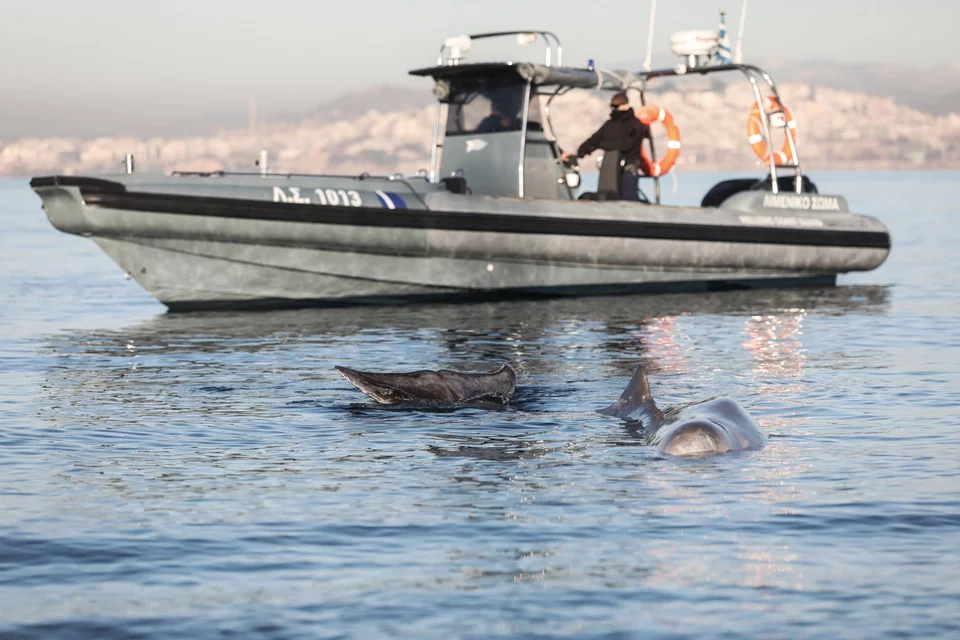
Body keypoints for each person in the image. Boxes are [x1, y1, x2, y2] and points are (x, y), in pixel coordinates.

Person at [562, 92, 646, 201]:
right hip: (610, 169)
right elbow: (594, 140)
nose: (613, 110)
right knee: (606, 195)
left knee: (628, 199)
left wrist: (603, 144)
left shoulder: (636, 124)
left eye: (616, 107)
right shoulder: (609, 125)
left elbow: (626, 144)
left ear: (626, 105)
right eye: (611, 107)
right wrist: (579, 153)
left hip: (628, 169)